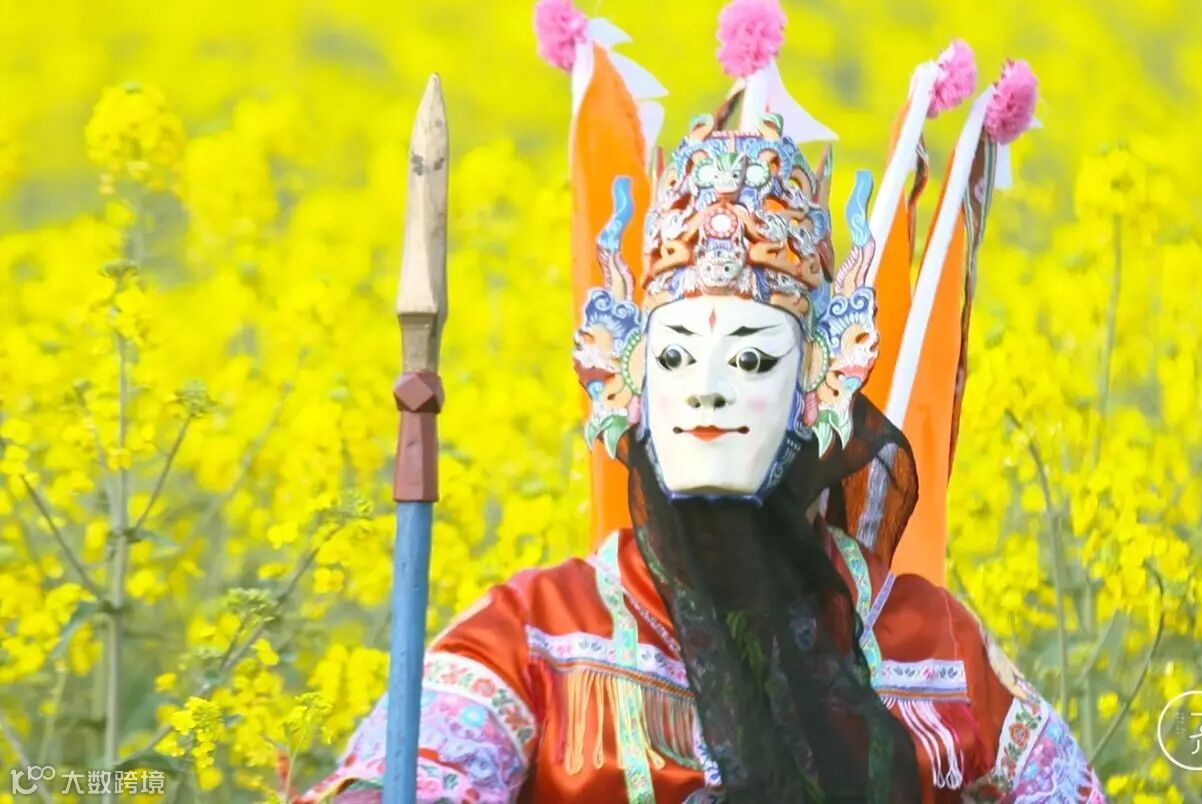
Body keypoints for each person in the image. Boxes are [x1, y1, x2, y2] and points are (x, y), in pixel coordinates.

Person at [302, 1, 1105, 801]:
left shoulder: (931, 647)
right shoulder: (538, 634)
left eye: (751, 358)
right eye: (676, 356)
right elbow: (406, 773)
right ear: (630, 379)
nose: (708, 387)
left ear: (819, 382)